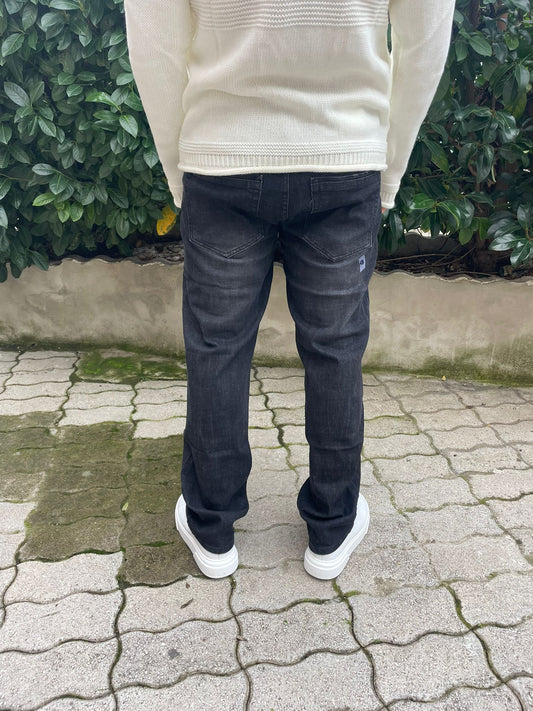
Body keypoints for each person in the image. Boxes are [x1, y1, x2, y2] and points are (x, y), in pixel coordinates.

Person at [123, 0, 455, 580]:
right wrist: (389, 167)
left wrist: (181, 168)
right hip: (344, 157)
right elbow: (424, 44)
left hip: (222, 158)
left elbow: (156, 46)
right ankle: (332, 527)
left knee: (217, 347)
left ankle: (211, 527)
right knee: (335, 349)